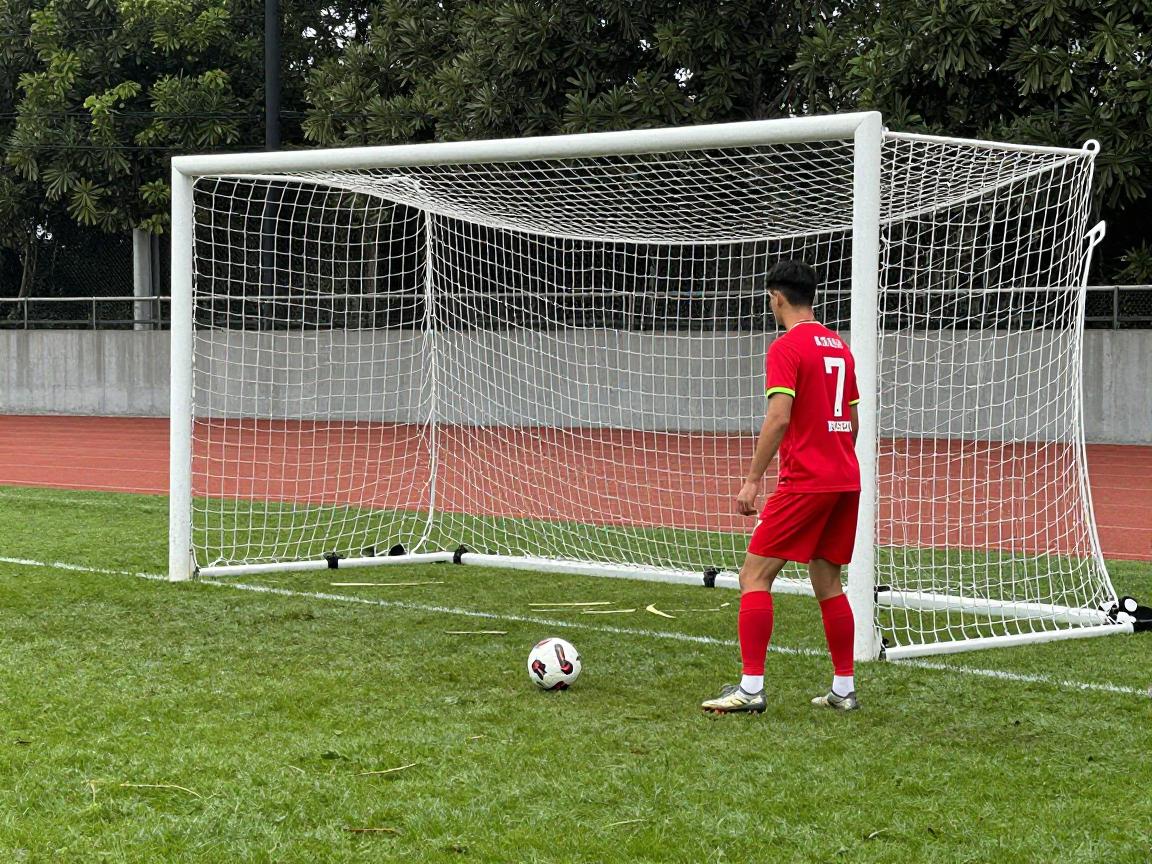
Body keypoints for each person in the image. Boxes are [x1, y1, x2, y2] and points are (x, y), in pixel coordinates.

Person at [701, 260, 862, 714]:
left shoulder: (787, 347)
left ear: (775, 297)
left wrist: (752, 481)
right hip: (845, 479)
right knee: (828, 581)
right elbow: (853, 422)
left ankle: (751, 688)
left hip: (806, 481)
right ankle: (844, 689)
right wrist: (834, 460)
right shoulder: (840, 347)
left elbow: (778, 417)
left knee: (754, 576)